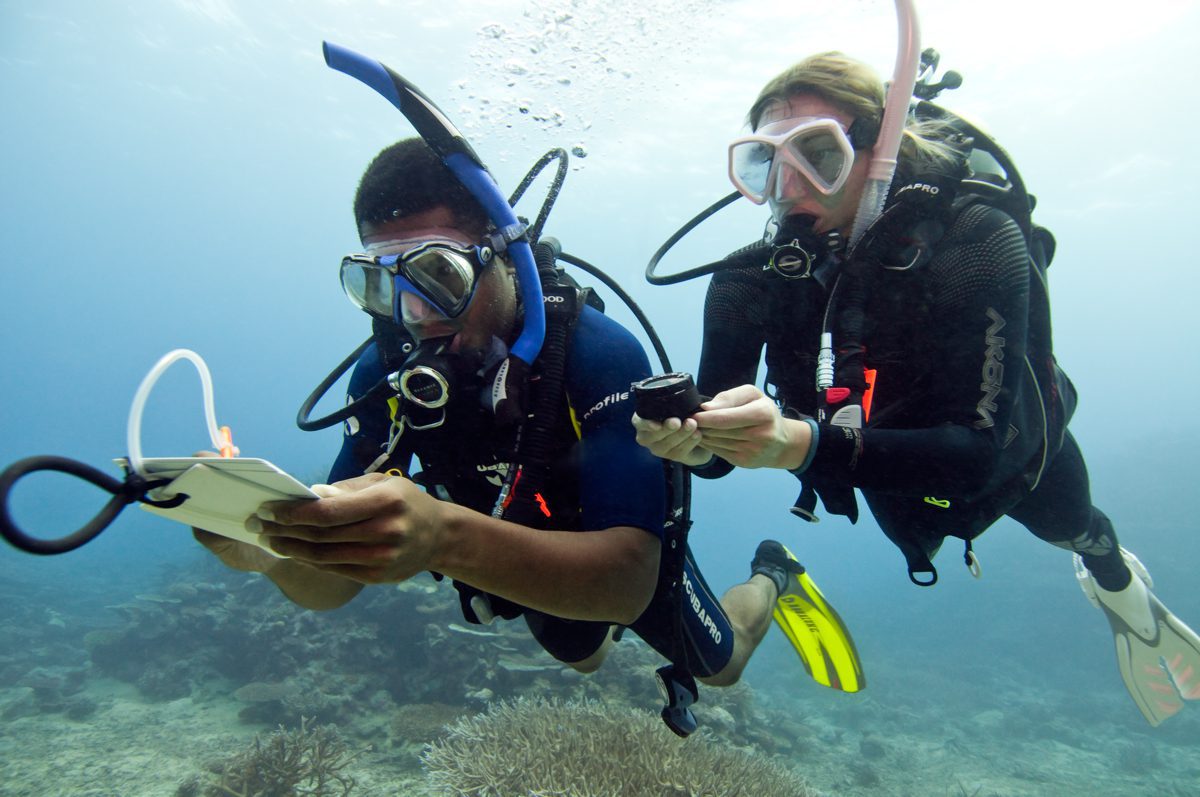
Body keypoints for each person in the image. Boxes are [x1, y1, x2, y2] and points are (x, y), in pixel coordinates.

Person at [192, 137, 861, 733]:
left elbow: (628, 580)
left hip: (615, 548)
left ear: (505, 256)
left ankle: (774, 572)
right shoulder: (387, 372)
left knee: (723, 664)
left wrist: (442, 534)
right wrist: (270, 550)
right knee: (585, 655)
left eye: (438, 276)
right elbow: (332, 584)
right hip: (517, 553)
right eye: (380, 284)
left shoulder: (598, 353)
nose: (415, 314)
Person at [634, 51, 1200, 726]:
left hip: (1015, 454)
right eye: (766, 162)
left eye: (818, 153)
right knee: (918, 525)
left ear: (878, 150)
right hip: (879, 467)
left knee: (1074, 526)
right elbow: (722, 453)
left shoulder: (976, 241)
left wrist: (795, 443)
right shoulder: (748, 278)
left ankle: (1121, 589)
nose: (790, 187)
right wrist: (694, 444)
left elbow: (976, 455)